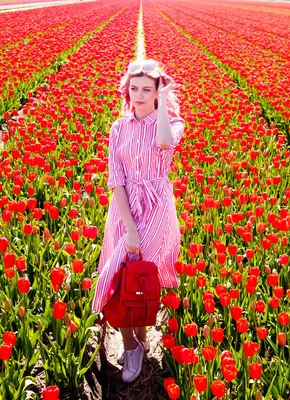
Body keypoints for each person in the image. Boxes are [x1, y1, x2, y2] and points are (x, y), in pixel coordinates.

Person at [91, 59, 185, 383]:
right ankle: (132, 345)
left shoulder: (172, 124)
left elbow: (163, 143)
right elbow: (115, 179)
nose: (139, 95)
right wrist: (129, 226)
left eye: (147, 89)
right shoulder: (118, 128)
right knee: (119, 277)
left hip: (157, 208)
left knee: (141, 277)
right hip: (125, 210)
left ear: (158, 92)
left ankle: (139, 340)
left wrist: (163, 100)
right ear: (126, 90)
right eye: (134, 89)